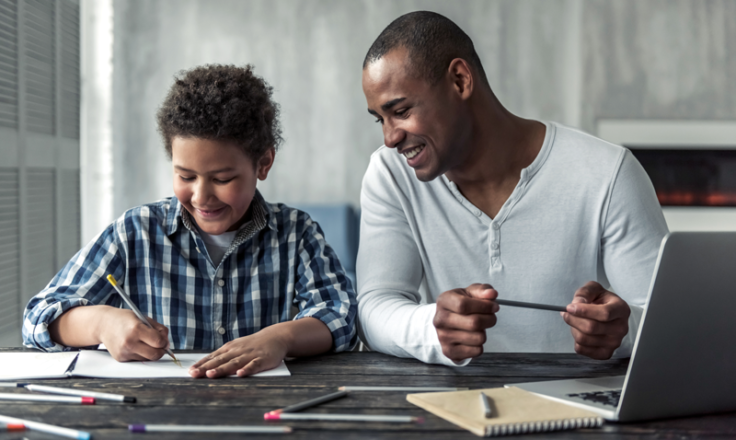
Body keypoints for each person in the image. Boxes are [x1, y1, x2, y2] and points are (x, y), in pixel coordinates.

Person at [357, 11, 668, 366]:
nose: (390, 137)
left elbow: (667, 320)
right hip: (456, 407)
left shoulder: (608, 172)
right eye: (380, 119)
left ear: (460, 80)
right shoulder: (389, 174)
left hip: (583, 406)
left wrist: (622, 330)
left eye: (401, 110)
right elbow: (374, 308)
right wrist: (433, 329)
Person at [23, 64, 357, 377]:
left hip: (263, 410)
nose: (200, 197)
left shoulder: (295, 233)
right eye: (185, 176)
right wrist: (101, 323)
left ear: (264, 163)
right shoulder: (135, 231)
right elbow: (39, 317)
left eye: (223, 179)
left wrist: (281, 338)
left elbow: (341, 315)